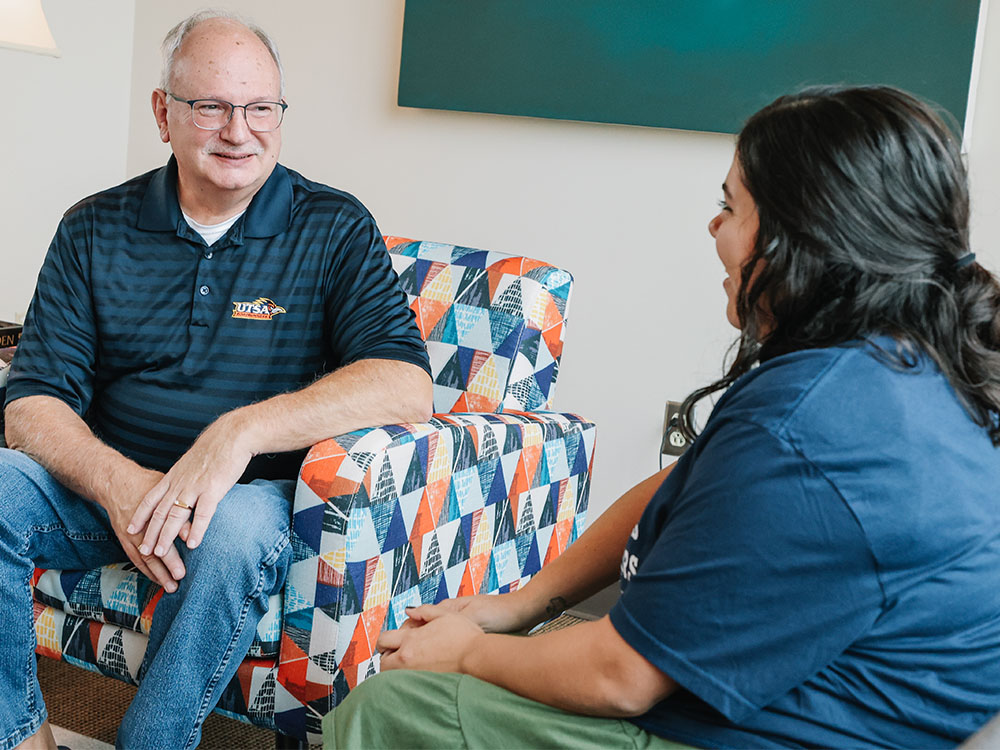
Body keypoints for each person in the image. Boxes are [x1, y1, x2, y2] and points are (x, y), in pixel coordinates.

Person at [325, 86, 1000, 749]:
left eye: (729, 207)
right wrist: (523, 603)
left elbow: (620, 675)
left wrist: (467, 653)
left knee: (397, 704)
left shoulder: (809, 424)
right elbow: (693, 484)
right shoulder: (905, 357)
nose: (714, 227)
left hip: (782, 727)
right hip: (800, 689)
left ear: (804, 237)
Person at [1, 10, 432, 750]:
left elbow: (405, 384)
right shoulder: (93, 228)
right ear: (164, 115)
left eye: (261, 107)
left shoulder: (332, 226)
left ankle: (152, 741)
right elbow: (32, 402)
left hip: (250, 500)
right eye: (212, 107)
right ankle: (20, 734)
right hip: (110, 492)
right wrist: (121, 483)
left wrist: (238, 434)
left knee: (229, 530)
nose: (241, 131)